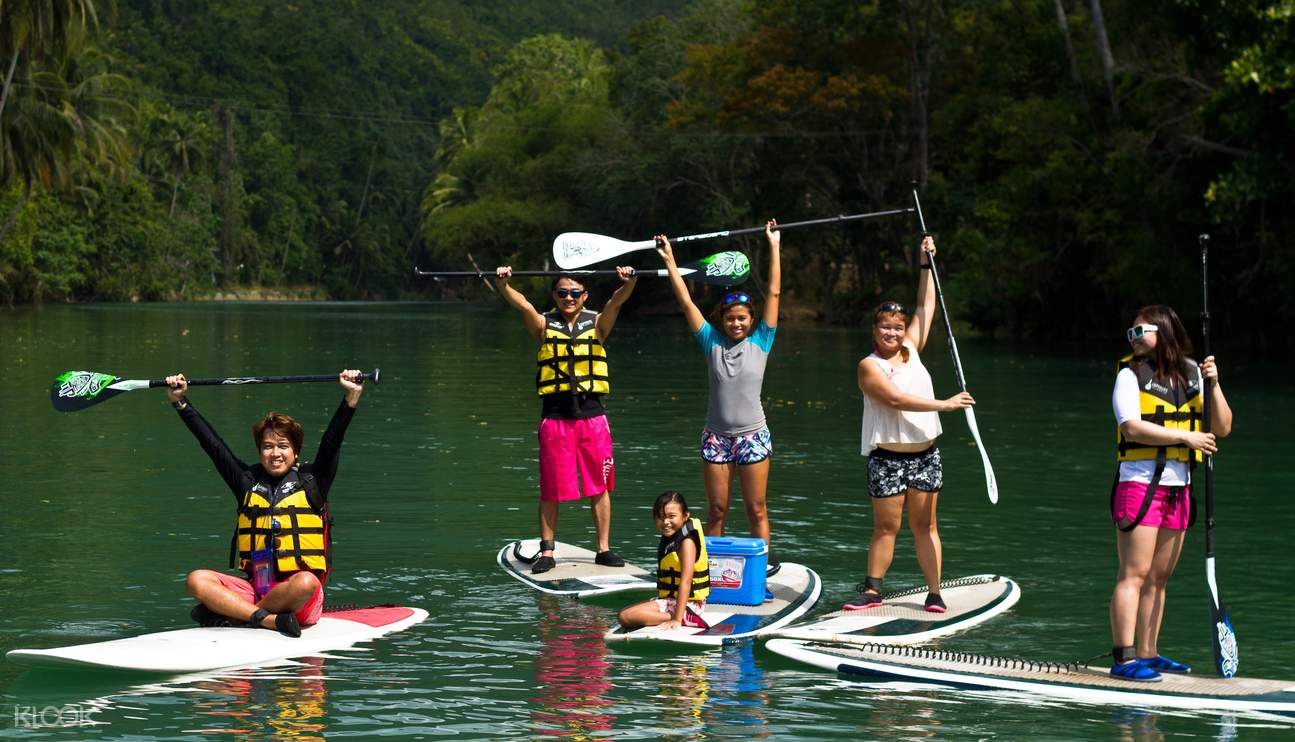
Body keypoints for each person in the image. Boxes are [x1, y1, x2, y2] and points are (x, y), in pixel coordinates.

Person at [166, 369, 367, 638]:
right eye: (267, 446)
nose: (275, 453)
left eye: (282, 446)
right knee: (197, 579)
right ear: (260, 451)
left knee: (306, 581)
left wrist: (351, 397)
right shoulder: (246, 481)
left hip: (301, 597)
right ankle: (265, 620)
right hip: (256, 590)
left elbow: (333, 440)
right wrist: (181, 403)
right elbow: (212, 445)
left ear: (295, 452)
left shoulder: (313, 480)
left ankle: (237, 616)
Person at [844, 236, 974, 613]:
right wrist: (945, 404)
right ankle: (872, 591)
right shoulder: (869, 366)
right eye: (886, 327)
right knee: (887, 528)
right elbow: (896, 401)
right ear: (874, 330)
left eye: (898, 327)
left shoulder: (912, 349)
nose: (893, 333)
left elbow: (924, 303)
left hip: (926, 456)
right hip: (887, 458)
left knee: (926, 527)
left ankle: (934, 593)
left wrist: (925, 263)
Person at [1108, 305, 1231, 681]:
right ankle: (1124, 659)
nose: (1133, 337)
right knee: (1135, 573)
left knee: (1159, 577)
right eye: (1130, 331)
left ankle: (1149, 652)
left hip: (1179, 487)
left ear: (1164, 330)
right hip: (1140, 484)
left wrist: (1214, 383)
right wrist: (1184, 436)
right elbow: (1131, 428)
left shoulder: (1194, 373)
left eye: (1140, 330)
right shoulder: (1129, 376)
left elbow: (1222, 427)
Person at [654, 220, 782, 573]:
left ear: (751, 320)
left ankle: (761, 568)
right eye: (730, 319)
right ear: (722, 320)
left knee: (756, 509)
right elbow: (685, 302)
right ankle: (704, 570)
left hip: (753, 436)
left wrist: (773, 245)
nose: (736, 324)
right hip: (716, 438)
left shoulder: (762, 341)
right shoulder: (711, 342)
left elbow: (773, 293)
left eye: (742, 318)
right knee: (716, 510)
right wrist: (669, 260)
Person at [495, 266, 638, 574]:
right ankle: (547, 551)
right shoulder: (544, 325)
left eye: (575, 293)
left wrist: (630, 282)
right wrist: (504, 285)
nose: (569, 298)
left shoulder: (598, 323)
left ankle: (604, 549)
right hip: (555, 417)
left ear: (584, 296)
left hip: (592, 418)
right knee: (551, 487)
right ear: (554, 296)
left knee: (599, 485)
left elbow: (617, 301)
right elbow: (522, 304)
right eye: (562, 293)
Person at [617, 491, 710, 630]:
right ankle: (676, 614)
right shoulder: (672, 539)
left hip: (688, 605)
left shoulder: (687, 543)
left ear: (685, 516)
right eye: (660, 517)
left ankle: (684, 617)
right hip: (674, 601)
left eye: (671, 517)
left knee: (625, 617)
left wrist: (677, 620)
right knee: (626, 611)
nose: (666, 522)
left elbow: (686, 581)